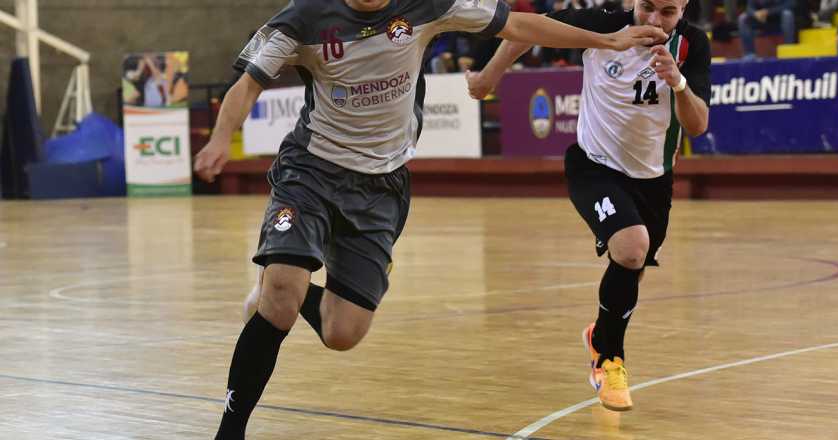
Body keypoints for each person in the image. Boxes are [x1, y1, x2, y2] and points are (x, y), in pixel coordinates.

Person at [192, 1, 666, 438]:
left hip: (381, 186)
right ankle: (230, 428)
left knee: (342, 333)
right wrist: (219, 140)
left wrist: (605, 40)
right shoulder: (303, 17)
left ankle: (278, 294)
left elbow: (519, 23)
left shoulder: (430, 5)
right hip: (311, 171)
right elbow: (248, 82)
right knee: (282, 293)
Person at [467, 0, 710, 412]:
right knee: (632, 247)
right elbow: (529, 28)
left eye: (666, 12)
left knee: (631, 268)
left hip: (653, 179)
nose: (653, 20)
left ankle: (601, 333)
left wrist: (679, 84)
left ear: (682, 8)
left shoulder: (692, 44)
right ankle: (608, 359)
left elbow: (698, 124)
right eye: (647, 7)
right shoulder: (602, 23)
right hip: (593, 165)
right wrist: (491, 73)